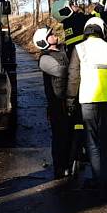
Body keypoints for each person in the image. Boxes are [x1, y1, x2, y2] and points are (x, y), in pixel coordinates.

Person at [65, 17, 107, 202]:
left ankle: (98, 180)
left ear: (86, 31)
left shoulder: (79, 48)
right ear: (102, 30)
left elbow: (73, 77)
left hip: (88, 101)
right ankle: (104, 184)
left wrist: (69, 100)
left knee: (92, 142)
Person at [33, 26, 71, 179]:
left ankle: (72, 161)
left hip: (70, 99)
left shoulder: (64, 50)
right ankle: (60, 168)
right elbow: (62, 71)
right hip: (57, 103)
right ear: (44, 42)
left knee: (71, 133)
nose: (55, 35)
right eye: (51, 35)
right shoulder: (44, 59)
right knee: (60, 137)